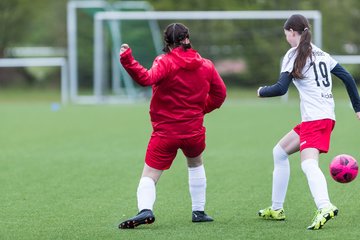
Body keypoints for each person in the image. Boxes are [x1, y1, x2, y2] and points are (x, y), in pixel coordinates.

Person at [118, 23, 227, 229]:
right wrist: (200, 109)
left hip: (165, 132)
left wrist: (127, 59)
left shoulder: (164, 62)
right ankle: (199, 211)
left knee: (149, 175)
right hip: (193, 131)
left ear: (167, 42)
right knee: (195, 164)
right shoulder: (206, 65)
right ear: (187, 39)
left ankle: (145, 210)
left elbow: (146, 78)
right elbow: (220, 95)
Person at [257, 14, 360, 230]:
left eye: (286, 34)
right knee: (279, 152)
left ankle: (325, 206)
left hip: (316, 119)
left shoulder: (294, 54)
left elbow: (280, 88)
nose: (286, 38)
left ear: (292, 33)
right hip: (320, 117)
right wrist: (358, 108)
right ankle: (276, 208)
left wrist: (261, 91)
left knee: (308, 163)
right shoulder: (321, 54)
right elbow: (348, 78)